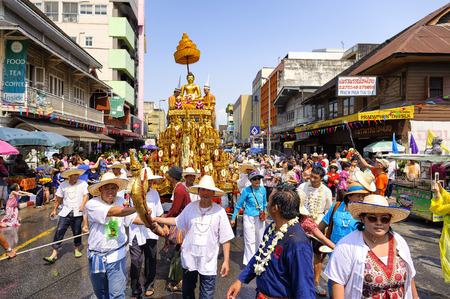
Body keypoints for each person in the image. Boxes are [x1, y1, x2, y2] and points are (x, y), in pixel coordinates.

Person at [227, 184, 315, 299]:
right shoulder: (272, 228)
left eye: (268, 201)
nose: (267, 204)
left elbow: (305, 291)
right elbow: (260, 256)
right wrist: (240, 280)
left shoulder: (298, 243)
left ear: (275, 208)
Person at [153, 175, 234, 299]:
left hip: (208, 261)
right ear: (198, 191)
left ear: (213, 192)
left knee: (206, 295)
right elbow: (177, 221)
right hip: (189, 258)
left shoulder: (220, 212)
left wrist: (226, 261)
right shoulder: (191, 207)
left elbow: (225, 238)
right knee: (187, 293)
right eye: (202, 190)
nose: (205, 193)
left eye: (208, 190)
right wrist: (156, 219)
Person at [85, 172, 163, 299]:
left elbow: (132, 218)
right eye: (107, 188)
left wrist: (148, 222)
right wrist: (139, 208)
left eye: (113, 188)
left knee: (117, 295)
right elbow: (112, 212)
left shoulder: (121, 201)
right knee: (101, 294)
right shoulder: (92, 204)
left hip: (116, 255)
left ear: (117, 189)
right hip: (97, 257)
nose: (110, 191)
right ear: (100, 189)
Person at [325, 195, 418, 299]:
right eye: (372, 218)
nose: (379, 223)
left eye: (384, 219)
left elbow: (410, 277)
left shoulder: (399, 242)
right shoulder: (346, 245)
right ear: (362, 219)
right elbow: (337, 282)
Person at [318, 182, 370, 296]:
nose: (362, 198)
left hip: (354, 254)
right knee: (334, 281)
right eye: (358, 195)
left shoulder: (364, 213)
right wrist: (311, 231)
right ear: (349, 196)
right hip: (334, 253)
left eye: (363, 196)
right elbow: (323, 224)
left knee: (351, 284)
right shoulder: (337, 206)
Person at [128, 168, 166, 299]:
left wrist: (165, 225)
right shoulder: (132, 194)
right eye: (145, 181)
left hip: (151, 233)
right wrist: (150, 224)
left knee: (151, 260)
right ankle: (135, 289)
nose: (148, 184)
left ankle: (149, 285)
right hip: (136, 232)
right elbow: (130, 217)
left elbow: (159, 211)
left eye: (150, 181)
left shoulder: (155, 193)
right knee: (135, 262)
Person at [298, 166, 332, 296]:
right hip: (303, 225)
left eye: (315, 178)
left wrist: (325, 226)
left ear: (322, 178)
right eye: (311, 176)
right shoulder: (302, 187)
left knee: (317, 255)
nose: (312, 179)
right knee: (302, 254)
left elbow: (328, 210)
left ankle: (316, 283)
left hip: (319, 226)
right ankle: (301, 281)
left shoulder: (327, 191)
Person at [43, 168, 88, 263]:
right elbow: (59, 198)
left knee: (77, 231)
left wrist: (82, 205)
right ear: (69, 176)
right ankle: (54, 253)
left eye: (77, 175)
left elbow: (85, 196)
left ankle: (76, 249)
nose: (76, 176)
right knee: (59, 230)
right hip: (65, 211)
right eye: (74, 175)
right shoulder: (63, 185)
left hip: (77, 211)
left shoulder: (83, 183)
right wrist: (54, 210)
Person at [231, 171, 267, 265]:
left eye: (259, 178)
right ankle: (250, 264)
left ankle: (259, 260)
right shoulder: (246, 191)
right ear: (250, 180)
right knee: (250, 240)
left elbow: (264, 204)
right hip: (248, 217)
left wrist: (264, 214)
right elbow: (238, 205)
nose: (257, 181)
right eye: (254, 179)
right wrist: (233, 217)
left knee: (260, 239)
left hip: (259, 217)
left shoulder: (263, 190)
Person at [165, 166, 191, 292]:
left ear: (172, 177)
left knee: (179, 250)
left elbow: (175, 209)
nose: (167, 176)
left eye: (169, 175)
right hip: (182, 220)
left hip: (182, 222)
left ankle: (180, 281)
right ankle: (179, 280)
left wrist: (165, 220)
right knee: (179, 250)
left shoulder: (180, 189)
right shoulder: (180, 187)